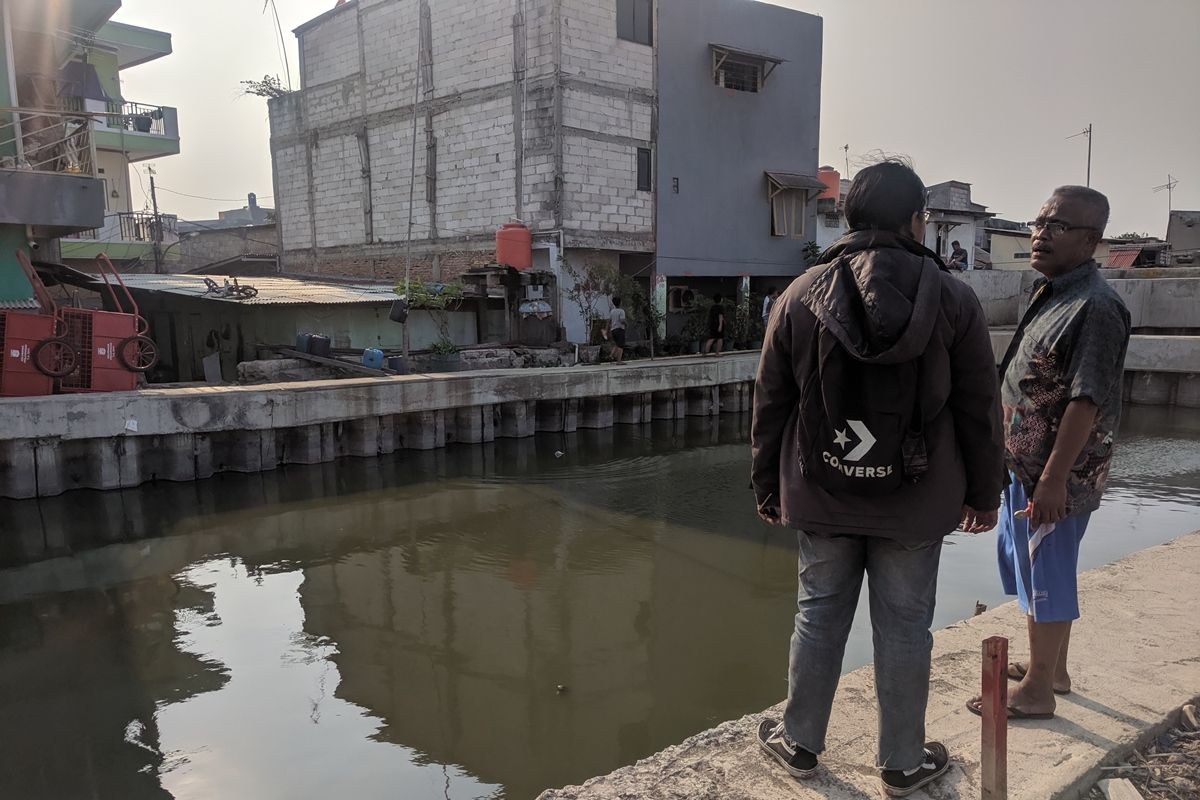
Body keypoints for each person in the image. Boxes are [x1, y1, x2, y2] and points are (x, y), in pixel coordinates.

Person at [751, 160, 1004, 797]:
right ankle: (903, 761)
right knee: (905, 627)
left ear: (852, 216)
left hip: (821, 488)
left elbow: (771, 402)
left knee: (817, 616)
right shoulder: (954, 296)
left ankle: (800, 743)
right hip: (916, 501)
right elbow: (979, 406)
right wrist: (983, 492)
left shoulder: (799, 293)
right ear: (916, 218)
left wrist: (765, 486)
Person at [967, 186, 1130, 720]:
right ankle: (1053, 670)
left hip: (1057, 478)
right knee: (1032, 571)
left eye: (1057, 226)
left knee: (1048, 574)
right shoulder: (1054, 291)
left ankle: (1038, 691)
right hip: (1027, 469)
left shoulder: (1097, 307)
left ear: (1091, 240)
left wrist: (1054, 480)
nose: (1040, 235)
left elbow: (1086, 400)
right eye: (1038, 224)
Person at [604, 296, 627, 363]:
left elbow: (608, 321)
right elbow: (622, 320)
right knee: (621, 345)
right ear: (620, 303)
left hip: (613, 330)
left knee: (617, 343)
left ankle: (611, 355)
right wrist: (626, 323)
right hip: (620, 329)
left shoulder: (612, 311)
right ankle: (619, 361)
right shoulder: (621, 311)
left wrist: (606, 330)